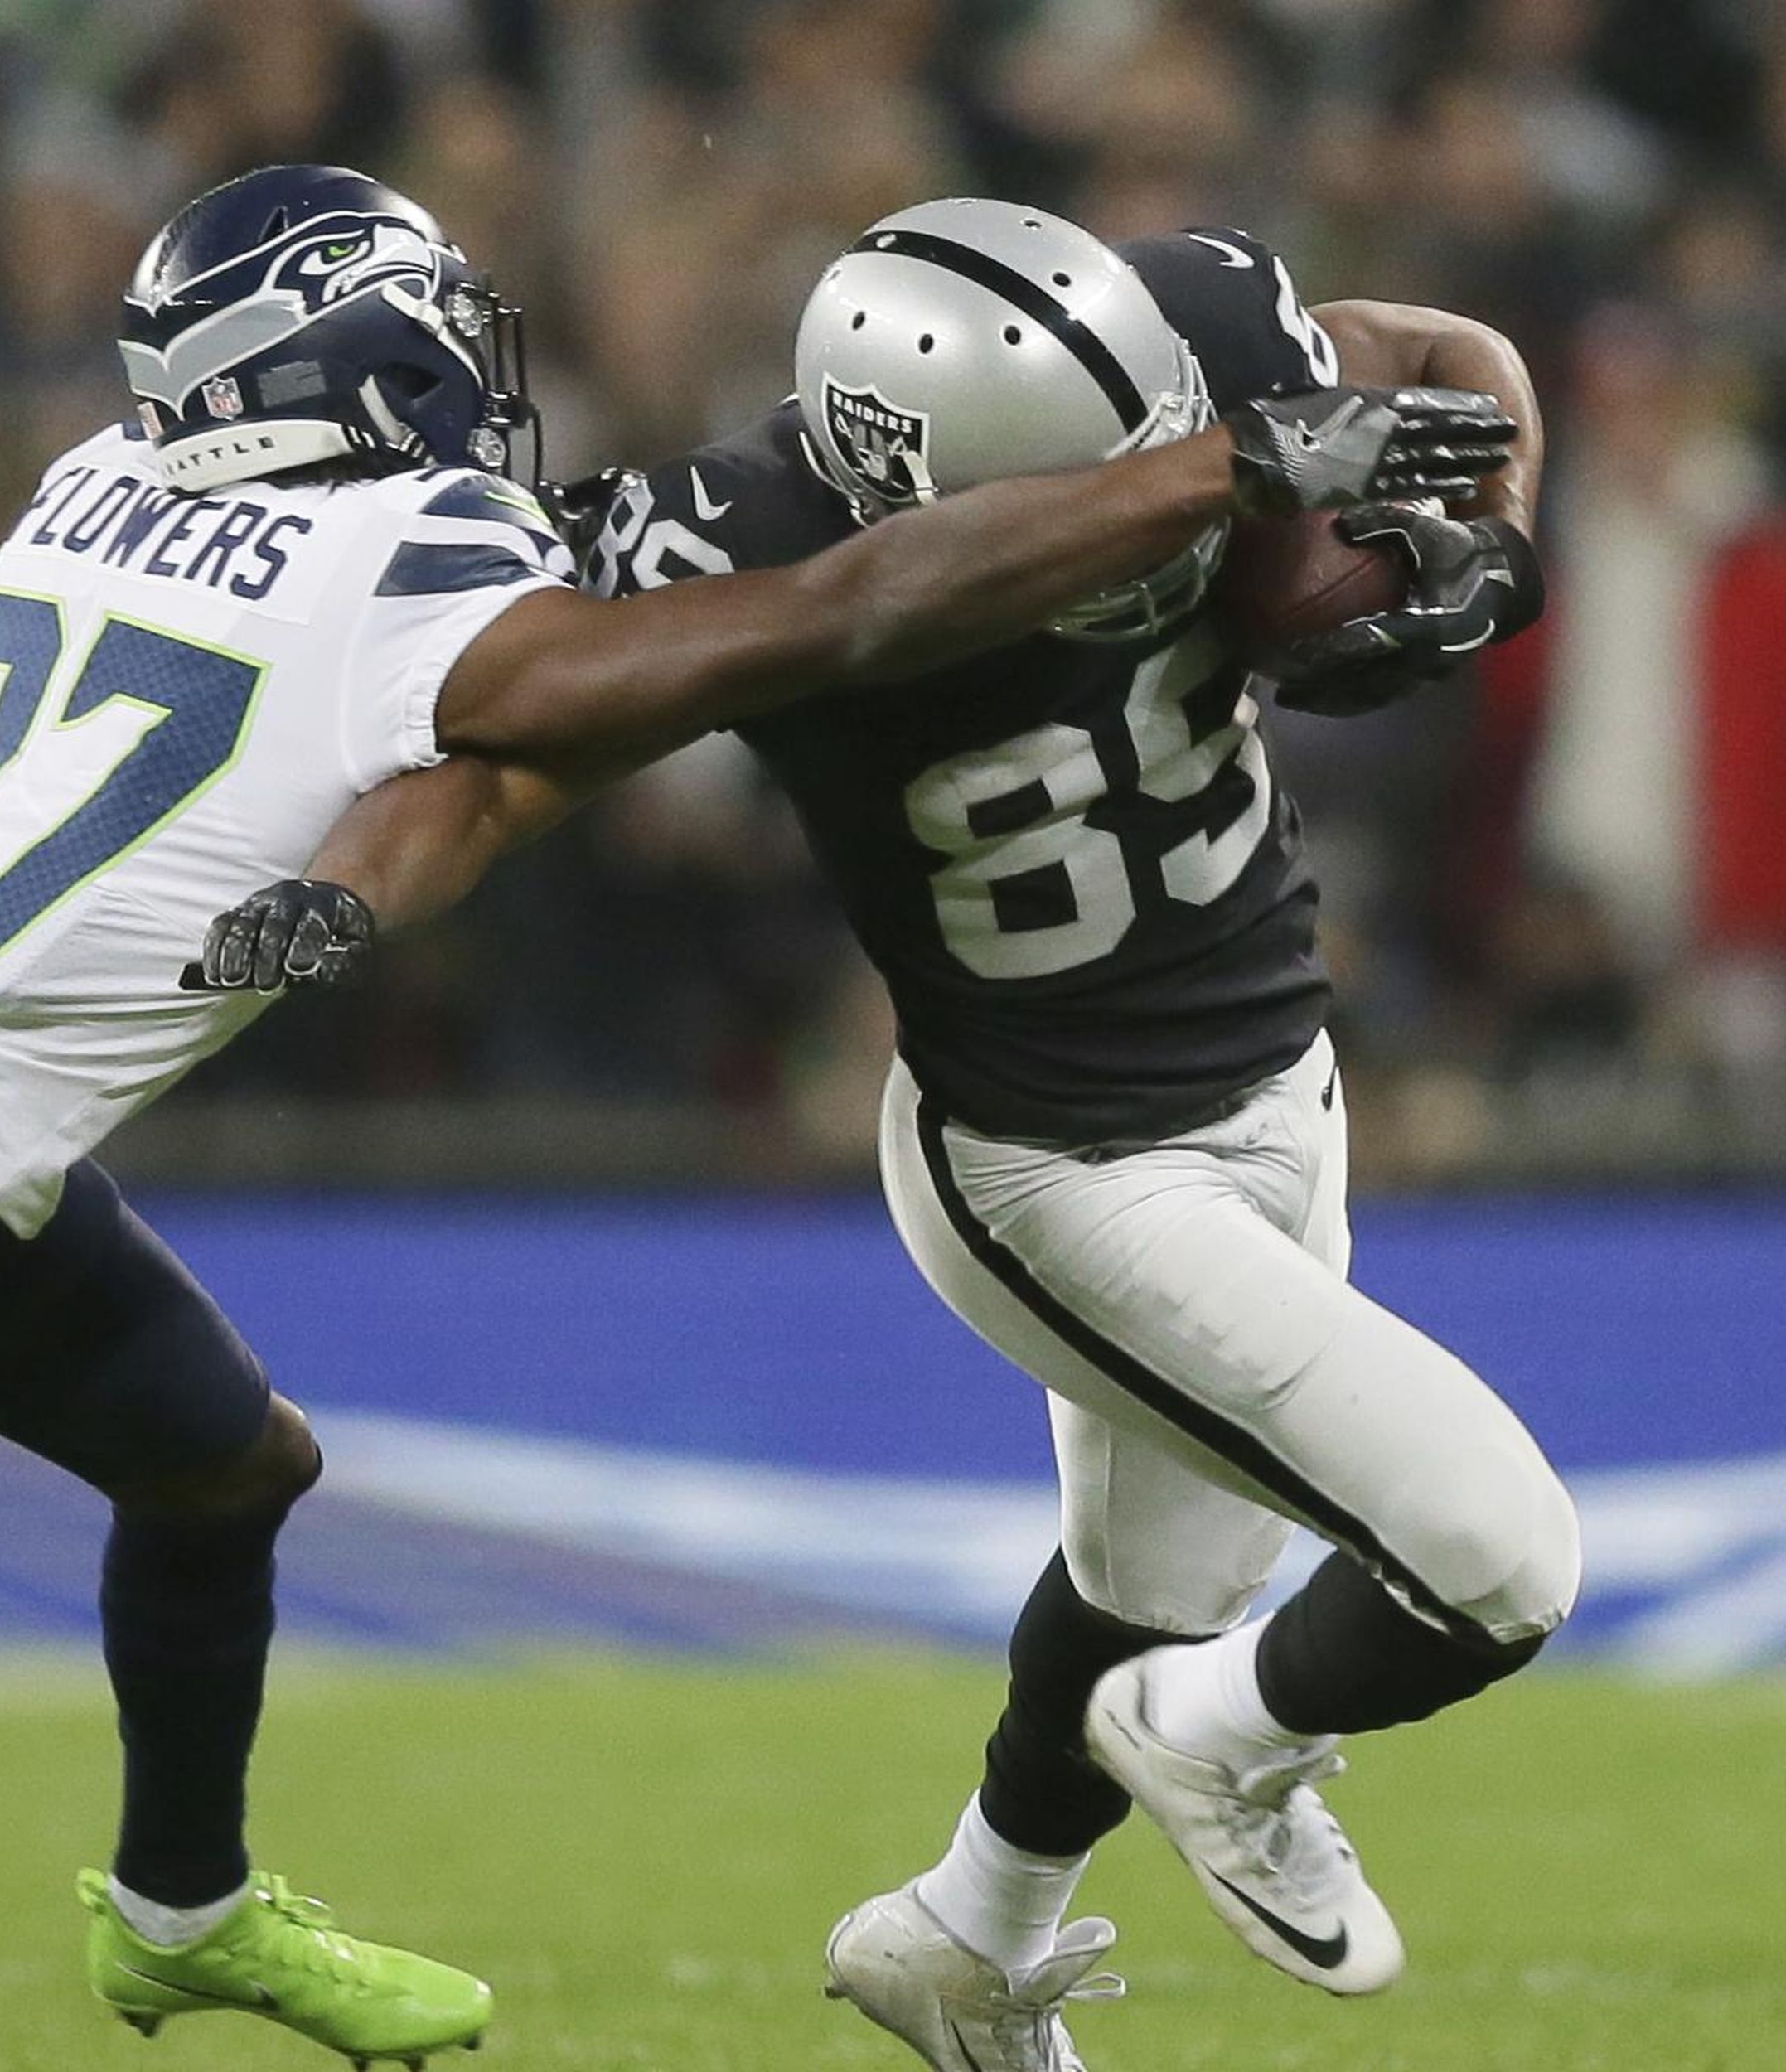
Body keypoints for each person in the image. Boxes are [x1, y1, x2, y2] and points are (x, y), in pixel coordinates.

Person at [0, 167, 1505, 2066]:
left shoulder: (101, 474)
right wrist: (1210, 470)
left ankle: (183, 1914)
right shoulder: (405, 563)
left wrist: (353, 886)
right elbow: (820, 614)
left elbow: (450, 758)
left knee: (221, 1464)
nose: (469, 355)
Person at [195, 198, 1566, 2072]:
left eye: (1148, 458)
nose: (1139, 514)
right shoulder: (742, 537)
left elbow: (1438, 354)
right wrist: (345, 886)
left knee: (1149, 1588)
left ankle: (962, 1944)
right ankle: (1222, 1742)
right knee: (1490, 1555)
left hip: (1273, 1068)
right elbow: (501, 750)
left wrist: (1489, 532)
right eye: (1073, 496)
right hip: (1057, 1168)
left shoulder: (1196, 325)